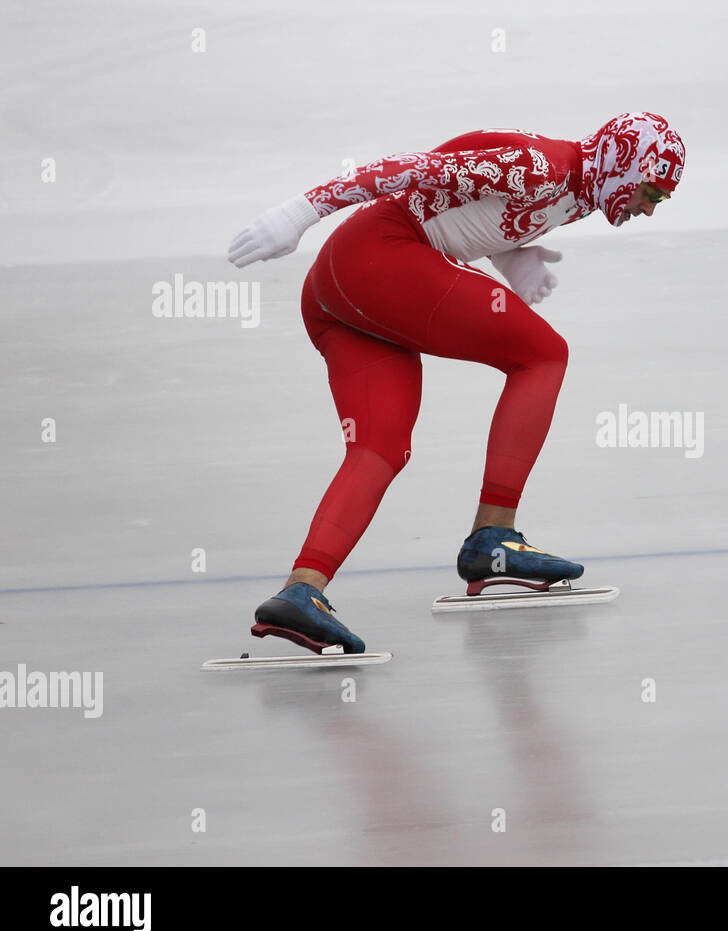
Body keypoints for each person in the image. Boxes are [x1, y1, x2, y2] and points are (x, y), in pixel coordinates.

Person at [226, 112, 685, 653]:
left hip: (337, 292)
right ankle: (494, 536)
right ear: (621, 164)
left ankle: (301, 593)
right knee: (543, 355)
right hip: (376, 257)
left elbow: (467, 205)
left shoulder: (581, 189)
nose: (649, 208)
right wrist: (300, 211)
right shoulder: (539, 167)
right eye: (650, 191)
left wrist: (514, 254)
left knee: (380, 448)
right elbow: (409, 170)